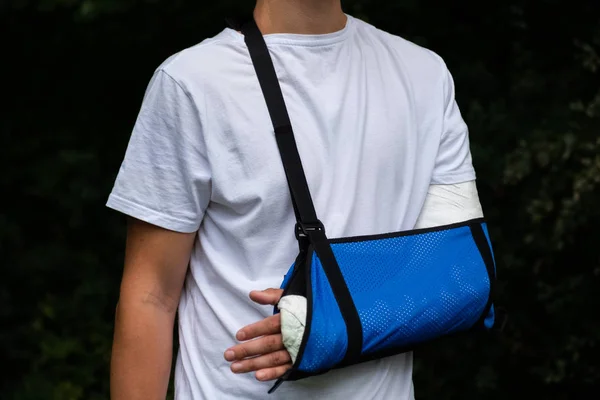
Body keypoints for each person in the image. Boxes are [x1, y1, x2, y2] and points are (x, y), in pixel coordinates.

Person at [106, 0, 479, 399]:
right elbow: (152, 296)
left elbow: (461, 278)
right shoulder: (192, 83)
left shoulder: (424, 74)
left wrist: (326, 326)